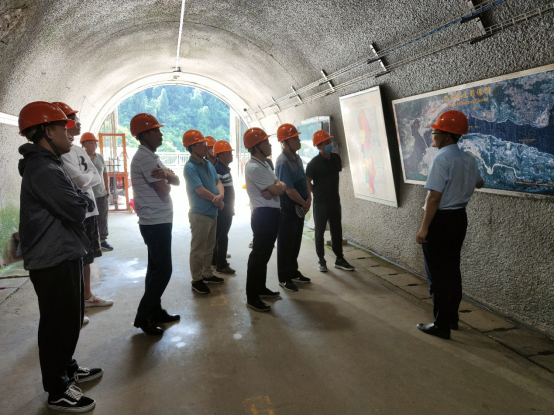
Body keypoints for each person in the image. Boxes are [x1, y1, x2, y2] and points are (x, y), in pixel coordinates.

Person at [18, 102, 102, 413]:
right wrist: (80, 199)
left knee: (70, 320)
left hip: (63, 252)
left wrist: (79, 198)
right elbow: (78, 208)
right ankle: (57, 389)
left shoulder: (51, 164)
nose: (69, 134)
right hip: (52, 257)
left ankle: (67, 369)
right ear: (47, 132)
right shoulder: (44, 169)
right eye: (62, 128)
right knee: (58, 325)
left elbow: (77, 200)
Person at [416, 110, 484, 340]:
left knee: (437, 275)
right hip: (459, 219)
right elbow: (480, 183)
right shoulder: (469, 158)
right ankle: (452, 318)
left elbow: (434, 198)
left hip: (440, 221)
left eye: (435, 132)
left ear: (446, 136)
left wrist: (424, 228)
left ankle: (441, 325)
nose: (432, 135)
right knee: (452, 271)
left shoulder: (441, 158)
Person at [54, 102, 113, 312]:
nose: (77, 122)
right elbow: (80, 180)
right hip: (77, 212)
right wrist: (86, 176)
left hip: (89, 210)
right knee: (76, 258)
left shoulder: (77, 150)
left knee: (87, 256)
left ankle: (86, 295)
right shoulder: (60, 153)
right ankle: (75, 302)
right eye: (72, 119)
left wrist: (85, 176)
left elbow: (94, 177)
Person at [130, 113, 181, 336]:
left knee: (155, 269)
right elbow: (165, 189)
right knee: (163, 270)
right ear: (144, 134)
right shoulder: (145, 158)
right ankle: (143, 316)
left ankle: (155, 310)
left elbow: (176, 181)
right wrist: (168, 178)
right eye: (156, 130)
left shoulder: (152, 156)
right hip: (154, 221)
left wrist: (167, 174)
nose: (160, 134)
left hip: (159, 219)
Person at [244, 128, 287, 312]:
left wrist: (277, 187)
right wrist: (276, 188)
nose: (269, 145)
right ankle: (252, 297)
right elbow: (278, 189)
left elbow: (280, 184)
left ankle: (260, 288)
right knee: (258, 257)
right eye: (265, 142)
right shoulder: (254, 167)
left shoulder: (265, 164)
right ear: (256, 147)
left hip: (271, 214)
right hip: (263, 215)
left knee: (264, 256)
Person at [183, 130, 225, 295]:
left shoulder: (208, 164)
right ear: (193, 147)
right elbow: (199, 190)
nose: (206, 146)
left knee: (209, 247)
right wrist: (217, 199)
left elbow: (218, 181)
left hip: (212, 212)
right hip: (200, 213)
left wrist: (221, 196)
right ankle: (196, 279)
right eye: (202, 144)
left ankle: (207, 273)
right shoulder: (190, 167)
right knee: (198, 249)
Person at [306, 130, 355, 273]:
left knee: (337, 230)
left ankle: (339, 258)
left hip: (335, 201)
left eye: (329, 141)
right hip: (320, 203)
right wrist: (314, 193)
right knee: (319, 232)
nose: (329, 144)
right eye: (326, 142)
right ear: (318, 146)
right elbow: (307, 181)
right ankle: (321, 259)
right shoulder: (313, 163)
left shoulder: (336, 159)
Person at [275, 123, 311, 292]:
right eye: (294, 138)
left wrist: (309, 197)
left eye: (297, 137)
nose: (298, 140)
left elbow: (304, 180)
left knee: (295, 240)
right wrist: (303, 202)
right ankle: (284, 277)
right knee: (286, 242)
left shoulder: (297, 158)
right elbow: (288, 190)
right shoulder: (282, 162)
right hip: (288, 206)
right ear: (285, 142)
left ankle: (293, 271)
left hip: (300, 203)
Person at [80, 132, 114, 251]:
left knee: (103, 218)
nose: (94, 145)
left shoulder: (100, 157)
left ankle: (102, 240)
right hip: (87, 195)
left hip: (101, 193)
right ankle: (90, 242)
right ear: (84, 144)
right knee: (88, 219)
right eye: (90, 143)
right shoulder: (81, 158)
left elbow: (105, 173)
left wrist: (107, 189)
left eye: (95, 143)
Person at [211, 140, 236, 275]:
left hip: (226, 209)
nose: (231, 154)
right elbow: (216, 191)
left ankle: (216, 261)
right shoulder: (218, 170)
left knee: (220, 235)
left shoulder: (223, 168)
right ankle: (221, 265)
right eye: (229, 152)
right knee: (222, 236)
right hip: (222, 210)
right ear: (220, 155)